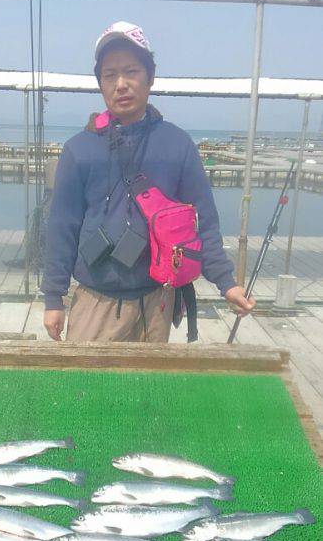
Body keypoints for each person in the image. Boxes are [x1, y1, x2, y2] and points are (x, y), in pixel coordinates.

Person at [41, 21, 255, 342]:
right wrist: (53, 298)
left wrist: (227, 282)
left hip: (159, 302)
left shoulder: (178, 145)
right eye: (110, 75)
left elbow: (204, 222)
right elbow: (61, 227)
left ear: (150, 77)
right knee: (88, 390)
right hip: (95, 301)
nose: (121, 84)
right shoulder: (78, 150)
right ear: (100, 84)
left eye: (132, 71)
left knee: (147, 390)